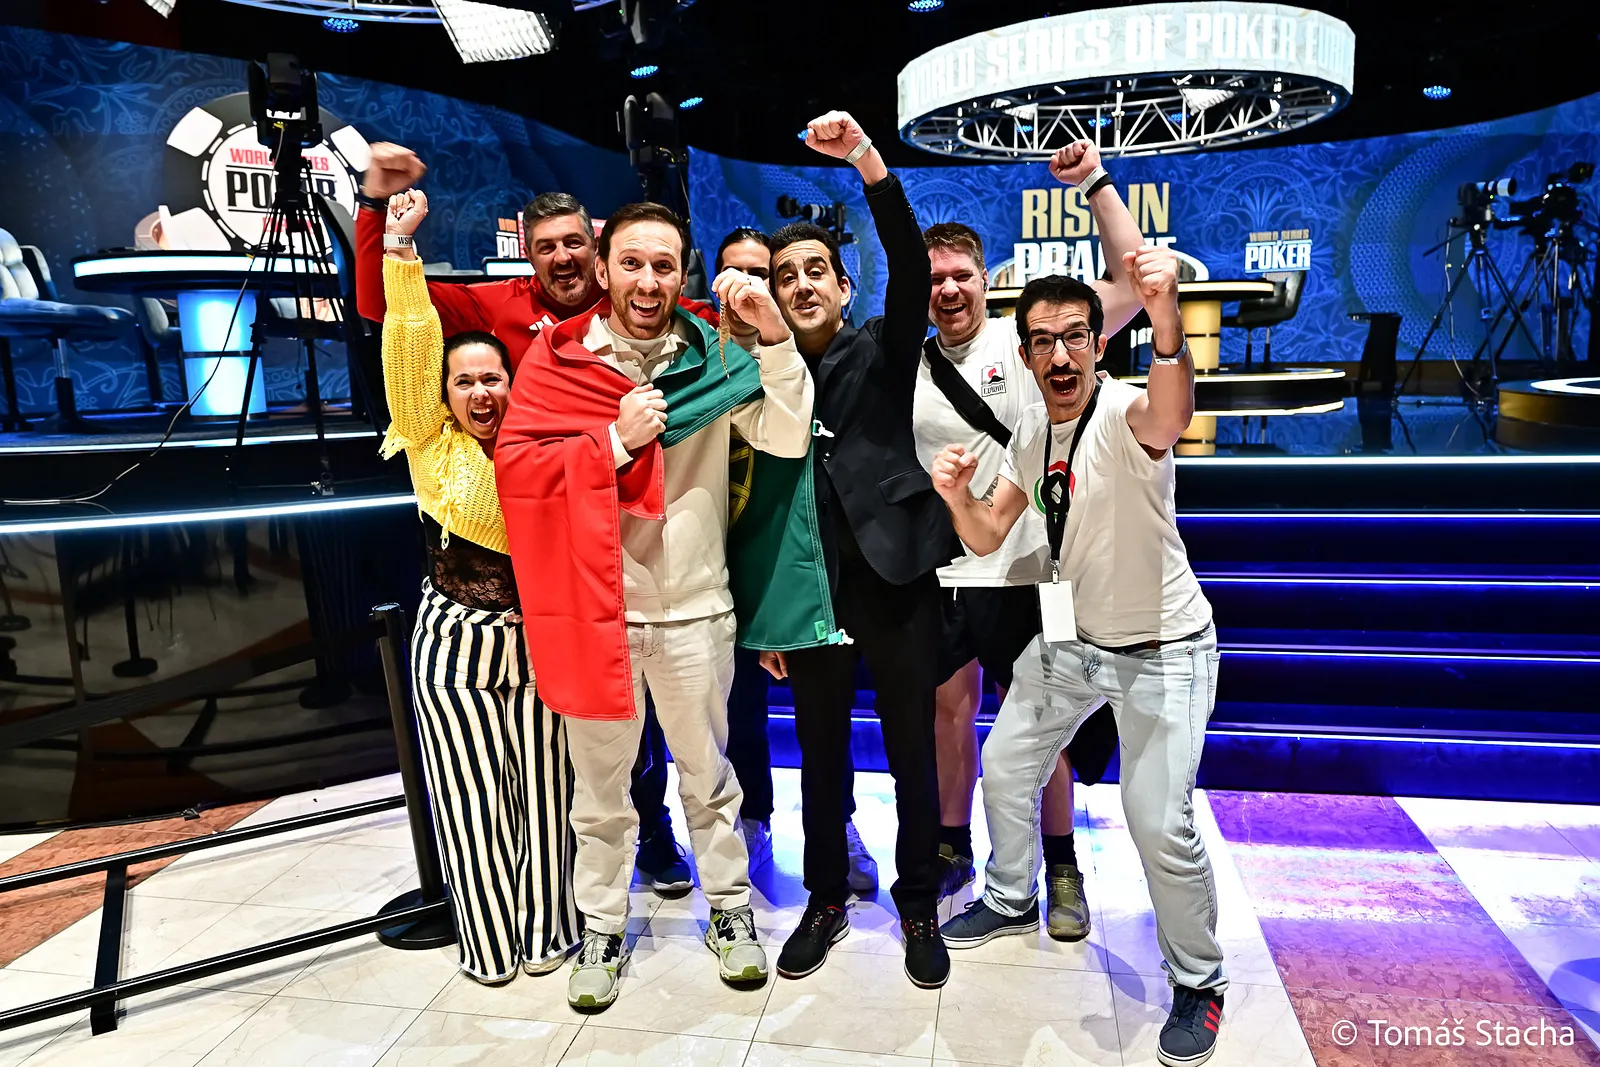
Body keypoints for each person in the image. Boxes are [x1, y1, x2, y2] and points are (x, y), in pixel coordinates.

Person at [495, 202, 815, 1011]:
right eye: (631, 263)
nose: (647, 281)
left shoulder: (715, 353)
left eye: (664, 266)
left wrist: (775, 336)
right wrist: (612, 442)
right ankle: (603, 926)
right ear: (602, 269)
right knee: (601, 791)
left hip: (697, 608)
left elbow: (786, 437)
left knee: (710, 778)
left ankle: (730, 911)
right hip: (598, 613)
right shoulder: (558, 360)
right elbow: (518, 476)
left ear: (684, 273)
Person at [357, 142, 695, 895]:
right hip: (537, 531)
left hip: (630, 532)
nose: (563, 257)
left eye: (575, 243)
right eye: (547, 248)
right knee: (571, 728)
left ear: (598, 251)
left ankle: (652, 829)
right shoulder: (499, 308)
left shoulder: (633, 305)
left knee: (635, 706)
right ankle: (554, 878)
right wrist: (376, 211)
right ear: (528, 257)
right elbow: (387, 310)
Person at [930, 259, 1226, 1066]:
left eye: (1073, 338)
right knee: (1005, 760)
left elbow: (1173, 412)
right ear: (1025, 354)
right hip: (1076, 641)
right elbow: (988, 533)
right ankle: (1009, 894)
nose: (1059, 355)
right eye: (1041, 341)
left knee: (1157, 819)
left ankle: (1199, 980)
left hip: (1164, 649)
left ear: (1097, 344)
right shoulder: (1032, 430)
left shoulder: (1127, 412)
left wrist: (1165, 321)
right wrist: (956, 497)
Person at [914, 140, 1140, 934]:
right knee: (950, 711)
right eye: (933, 278)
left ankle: (1061, 863)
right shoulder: (906, 364)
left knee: (1046, 716)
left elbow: (1130, 285)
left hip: (1042, 567)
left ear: (986, 279)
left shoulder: (1036, 340)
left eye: (960, 275)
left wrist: (1097, 184)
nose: (948, 289)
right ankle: (953, 846)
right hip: (952, 567)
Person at [759, 111, 957, 990]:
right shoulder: (762, 372)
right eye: (785, 275)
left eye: (816, 271)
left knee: (912, 750)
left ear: (843, 286)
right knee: (819, 755)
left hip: (897, 577)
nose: (801, 284)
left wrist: (869, 163)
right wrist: (768, 613)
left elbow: (911, 267)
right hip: (811, 593)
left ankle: (918, 902)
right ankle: (826, 897)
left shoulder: (883, 347)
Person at [375, 189, 579, 983]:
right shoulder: (427, 439)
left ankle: (551, 931)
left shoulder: (541, 442)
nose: (481, 393)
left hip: (538, 642)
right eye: (464, 382)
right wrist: (400, 254)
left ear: (513, 381)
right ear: (446, 392)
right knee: (469, 802)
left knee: (547, 795)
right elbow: (410, 342)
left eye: (493, 377)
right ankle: (489, 944)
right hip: (454, 646)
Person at [715, 226, 879, 892]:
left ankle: (839, 823)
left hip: (796, 570)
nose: (751, 289)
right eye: (736, 275)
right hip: (720, 570)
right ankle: (753, 815)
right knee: (738, 714)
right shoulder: (708, 360)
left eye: (764, 276)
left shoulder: (804, 366)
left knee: (822, 721)